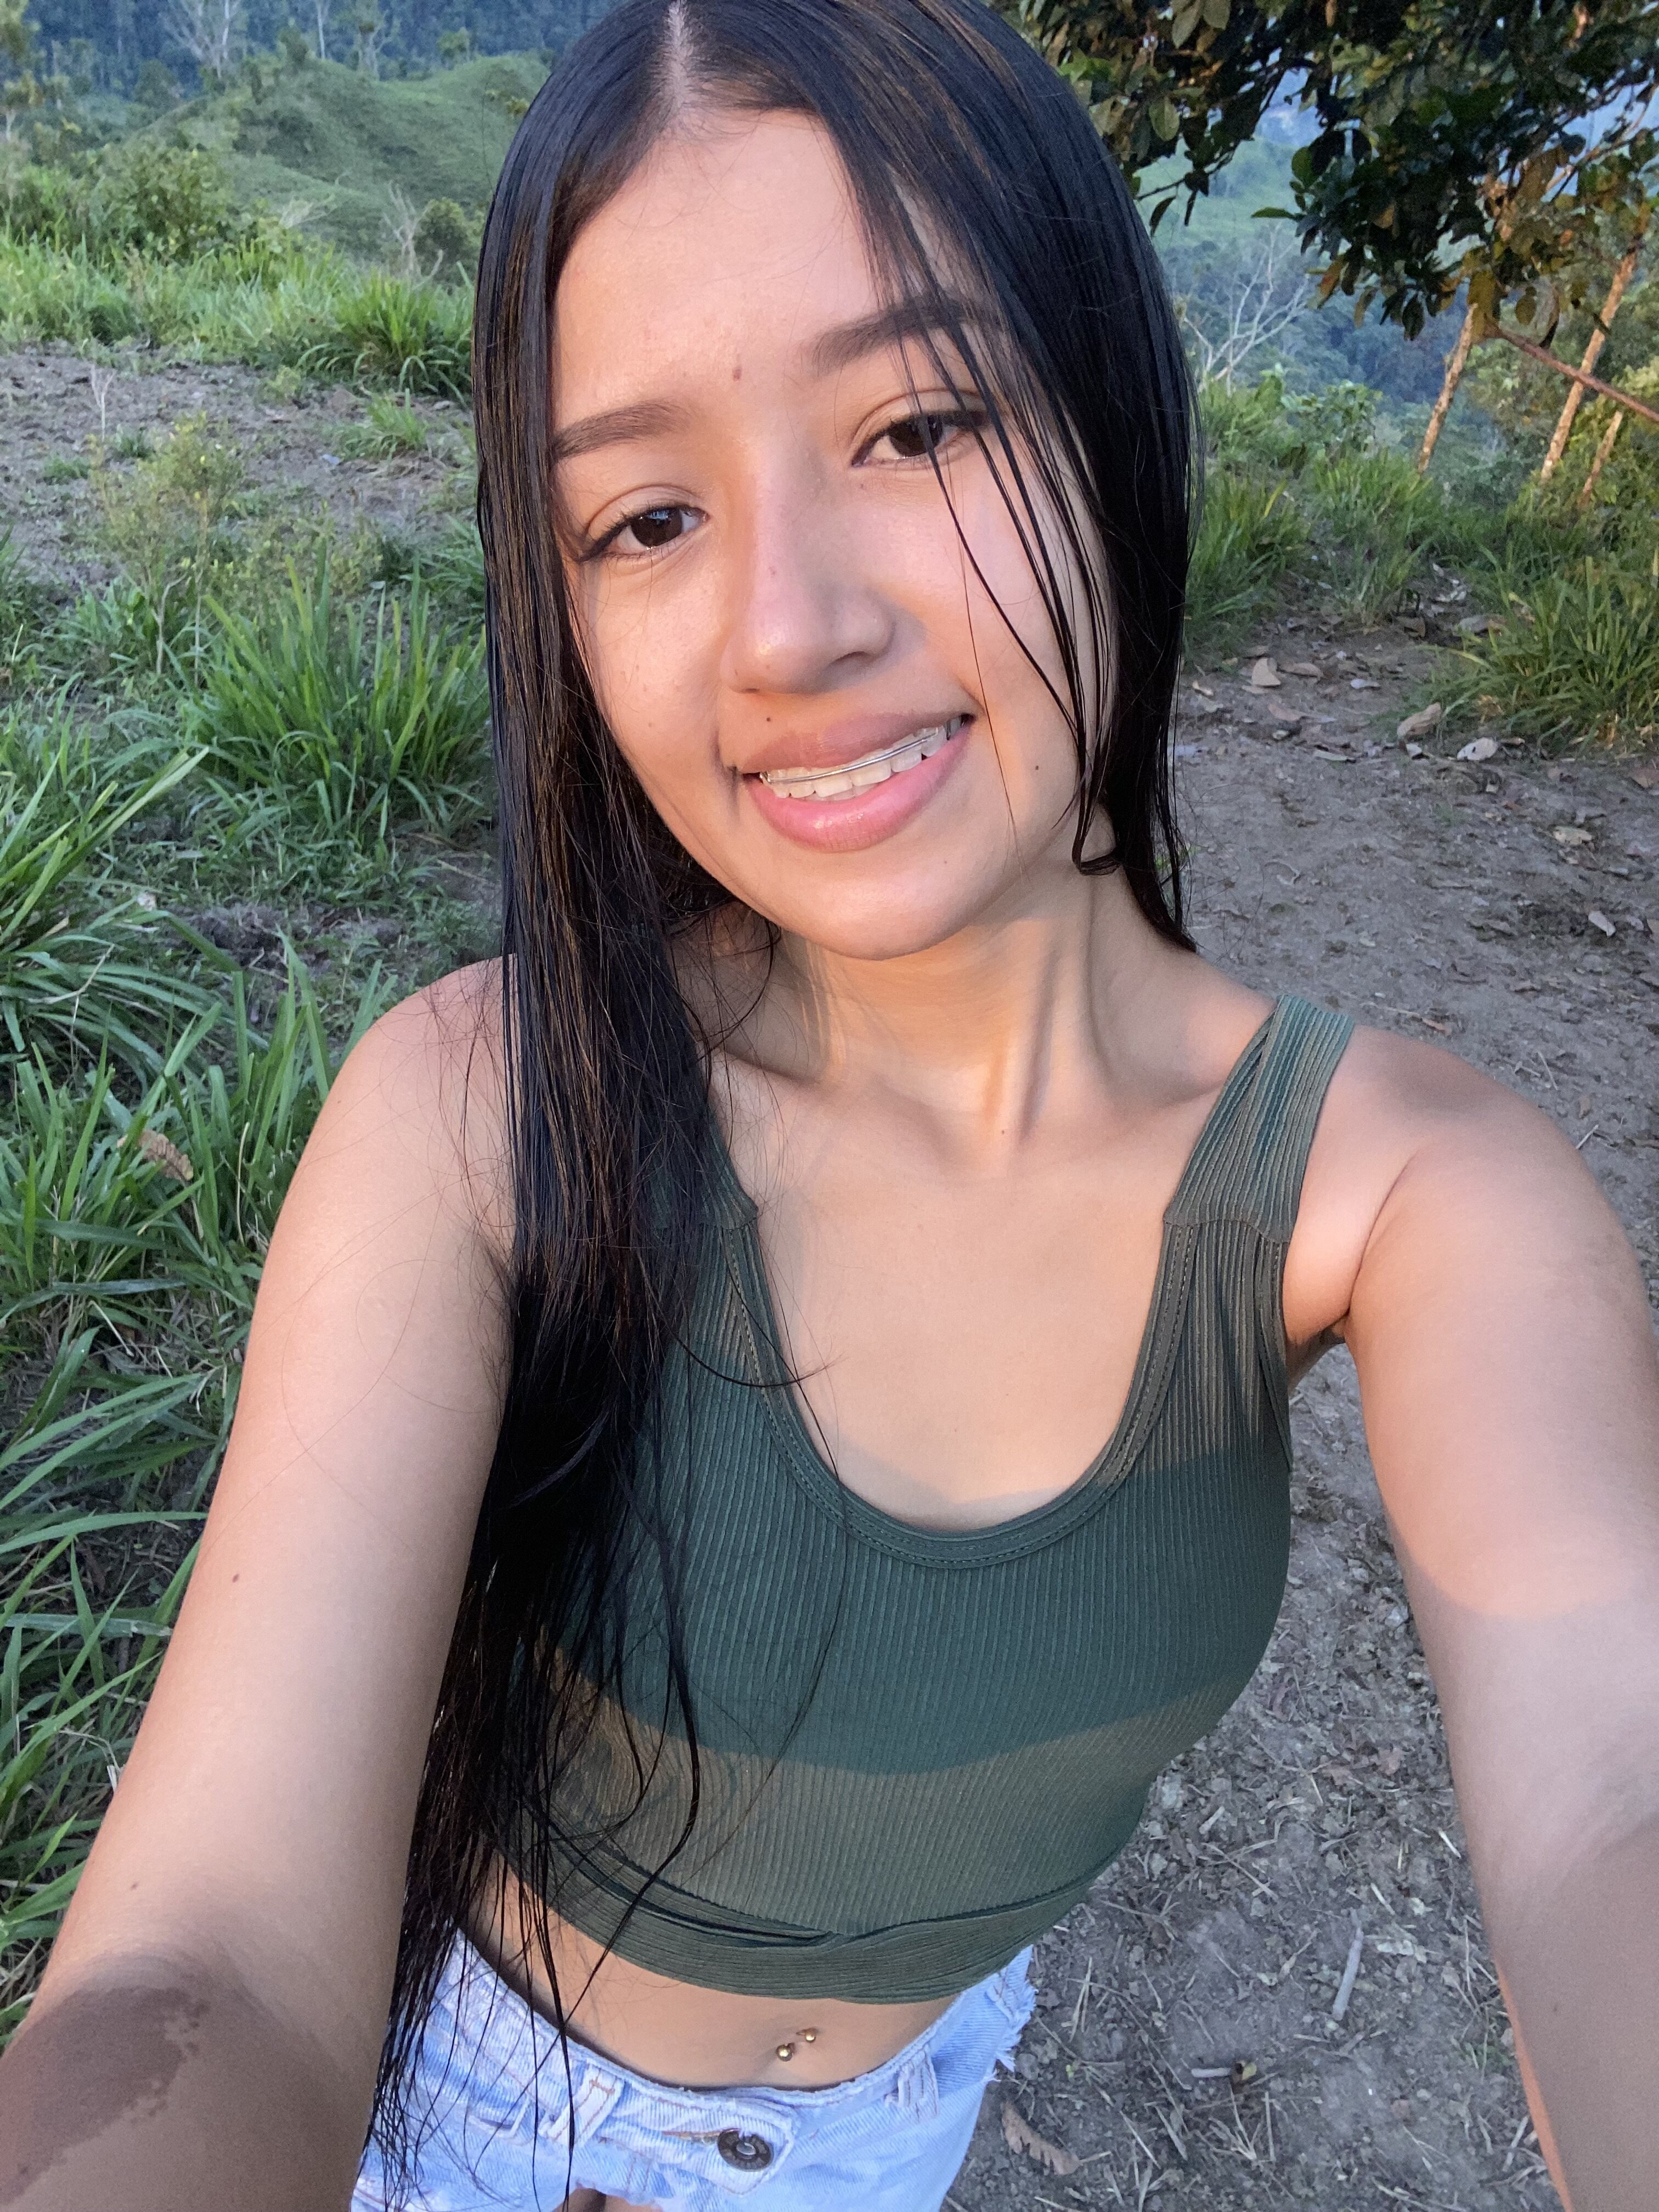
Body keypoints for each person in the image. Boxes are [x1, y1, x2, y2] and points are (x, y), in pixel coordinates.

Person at [4, 3, 1658, 2208]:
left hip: (892, 2127)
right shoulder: (479, 1116)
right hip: (455, 2110)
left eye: (918, 424)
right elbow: (207, 1958)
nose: (785, 628)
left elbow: (1616, 1795)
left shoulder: (1418, 1197)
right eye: (646, 517)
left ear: (1111, 412)